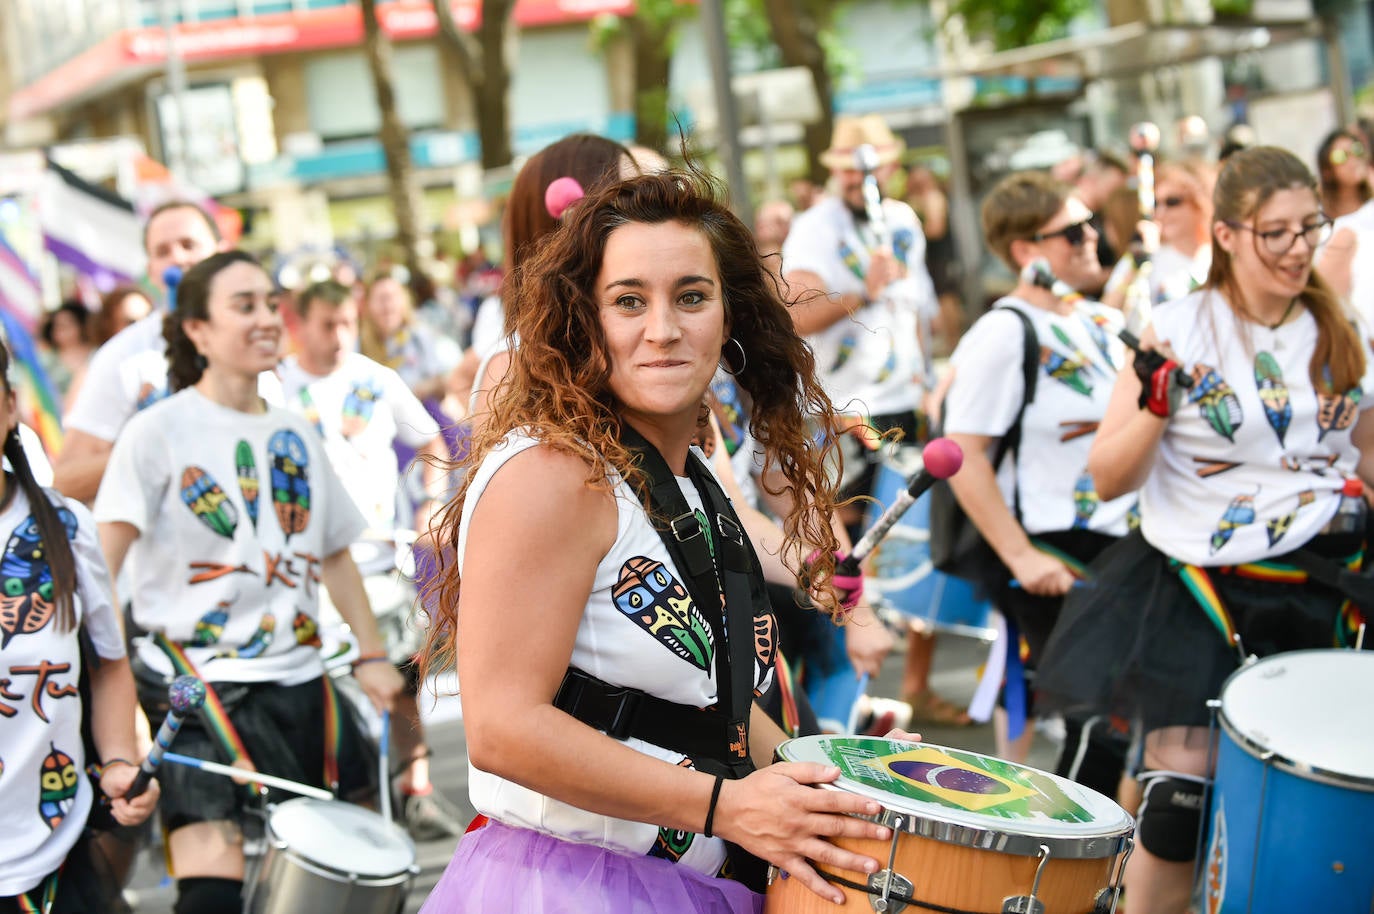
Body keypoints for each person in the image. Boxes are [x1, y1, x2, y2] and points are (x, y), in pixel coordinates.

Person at [418, 170, 910, 912]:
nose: (663, 329)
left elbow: (706, 701)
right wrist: (727, 808)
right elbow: (500, 729)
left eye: (691, 296)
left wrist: (847, 786)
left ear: (730, 315)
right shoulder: (551, 474)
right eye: (628, 301)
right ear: (586, 320)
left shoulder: (692, 477)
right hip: (573, 889)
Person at [1036, 146, 1371, 914]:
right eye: (1275, 232)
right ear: (1227, 235)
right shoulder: (1180, 326)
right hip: (1200, 588)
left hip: (1321, 582)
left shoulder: (1337, 323)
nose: (1297, 249)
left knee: (1324, 793)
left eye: (1308, 228)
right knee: (1178, 799)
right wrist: (1154, 405)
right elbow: (1109, 476)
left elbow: (1368, 452)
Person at [94, 251, 404, 914]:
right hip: (196, 692)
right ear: (198, 331)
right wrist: (111, 711)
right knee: (211, 898)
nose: (267, 319)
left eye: (270, 303)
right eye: (245, 306)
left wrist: (373, 656)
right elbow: (99, 570)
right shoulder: (155, 432)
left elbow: (334, 555)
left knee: (349, 880)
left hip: (302, 682)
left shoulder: (295, 429)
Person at [940, 170, 1135, 784]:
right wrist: (1021, 555)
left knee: (1133, 726)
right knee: (1098, 728)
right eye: (1071, 231)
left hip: (1124, 545)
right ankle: (1066, 870)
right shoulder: (1005, 330)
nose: (1090, 238)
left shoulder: (1096, 321)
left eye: (1090, 225)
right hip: (1057, 553)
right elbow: (961, 453)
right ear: (1026, 251)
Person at [277, 278, 463, 841]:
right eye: (326, 324)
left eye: (346, 323)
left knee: (403, 677)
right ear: (300, 324)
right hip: (306, 566)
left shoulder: (373, 379)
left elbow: (434, 442)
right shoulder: (275, 385)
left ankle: (419, 789)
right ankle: (350, 806)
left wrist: (431, 497)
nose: (338, 335)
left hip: (380, 557)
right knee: (328, 689)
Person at [0, 338, 159, 914]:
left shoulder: (67, 528)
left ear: (10, 405)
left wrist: (118, 759)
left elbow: (108, 661)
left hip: (57, 844)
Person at [54, 201, 230, 503]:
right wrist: (154, 448)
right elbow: (67, 480)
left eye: (189, 244)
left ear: (221, 253)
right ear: (151, 270)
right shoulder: (123, 356)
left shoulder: (257, 338)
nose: (178, 258)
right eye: (163, 252)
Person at [1104, 159, 1215, 310]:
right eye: (1156, 204)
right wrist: (1134, 268)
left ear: (1202, 202)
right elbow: (1106, 314)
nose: (1160, 213)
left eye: (1172, 202)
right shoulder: (1143, 255)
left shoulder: (1223, 255)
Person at [39, 301, 93, 405]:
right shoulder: (46, 361)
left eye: (67, 325)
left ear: (81, 325)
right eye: (57, 326)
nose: (61, 330)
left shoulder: (97, 354)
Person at [1316, 128, 1370, 221]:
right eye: (1341, 156)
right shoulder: (1318, 212)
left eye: (1357, 149)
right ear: (1327, 170)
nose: (1353, 160)